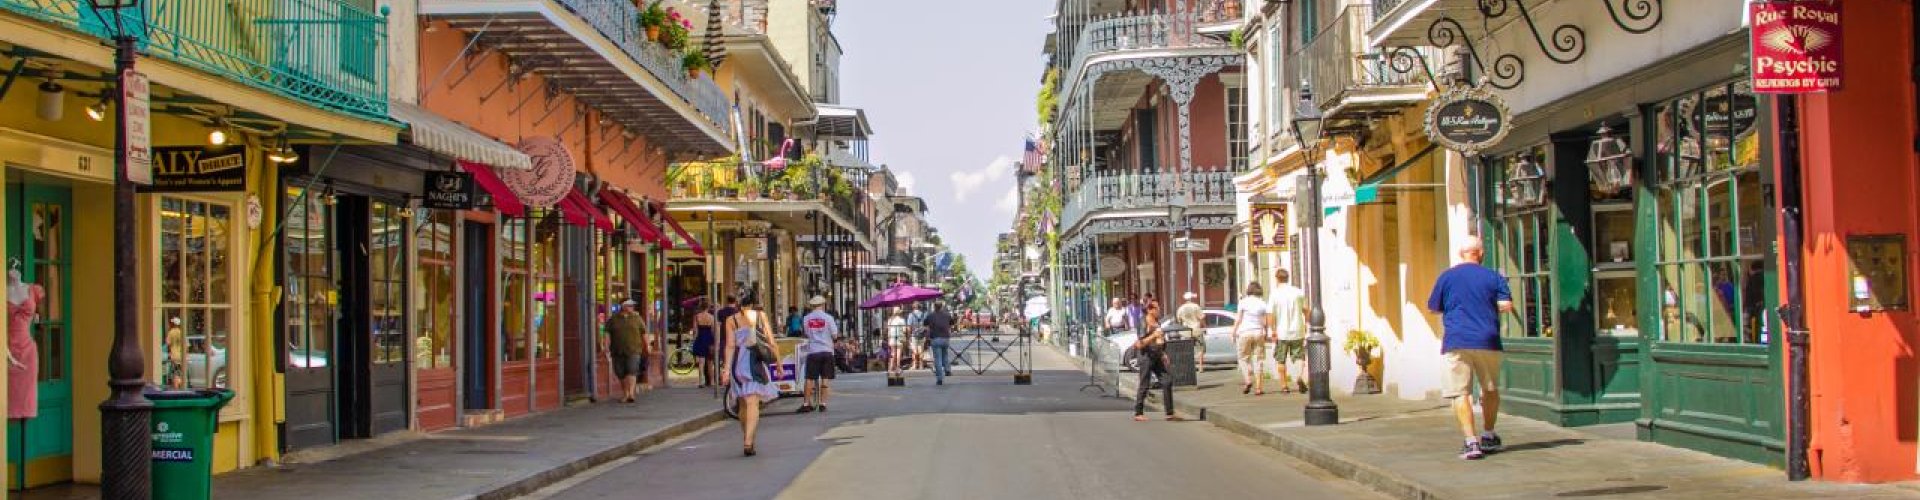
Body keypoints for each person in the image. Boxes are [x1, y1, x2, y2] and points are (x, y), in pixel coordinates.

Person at [1426, 236, 1513, 460]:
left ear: (1460, 253)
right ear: (1481, 253)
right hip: (1487, 338)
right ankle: (1489, 434)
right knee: (1490, 388)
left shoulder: (1447, 277)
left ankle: (1470, 441)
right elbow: (1506, 305)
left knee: (1460, 392)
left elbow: (1434, 308)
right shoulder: (1494, 277)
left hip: (1457, 339)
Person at [722, 296, 783, 457]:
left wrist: (726, 370)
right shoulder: (760, 316)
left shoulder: (731, 320)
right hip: (754, 363)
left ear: (738, 305)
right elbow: (771, 341)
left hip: (737, 364)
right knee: (752, 402)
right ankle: (748, 441)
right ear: (753, 304)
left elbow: (729, 345)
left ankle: (747, 438)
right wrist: (778, 363)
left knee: (743, 403)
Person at [1132, 302, 1181, 422]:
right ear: (1150, 310)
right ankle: (1138, 412)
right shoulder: (1143, 322)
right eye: (1157, 308)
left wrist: (1163, 353)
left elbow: (1160, 339)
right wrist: (1153, 335)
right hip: (1146, 356)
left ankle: (1169, 413)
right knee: (1144, 384)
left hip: (1157, 355)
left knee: (1167, 381)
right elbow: (1139, 344)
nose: (1159, 309)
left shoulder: (1157, 321)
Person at [1229, 283, 1271, 396]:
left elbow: (1238, 319)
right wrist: (1266, 332)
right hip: (1258, 332)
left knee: (1243, 358)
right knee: (1259, 359)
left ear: (1249, 290)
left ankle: (1247, 380)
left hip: (1245, 332)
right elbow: (1264, 321)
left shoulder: (1243, 302)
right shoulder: (1262, 303)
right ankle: (1259, 388)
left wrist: (1233, 332)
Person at [797, 296, 838, 413]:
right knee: (825, 377)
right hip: (827, 350)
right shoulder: (828, 318)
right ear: (823, 305)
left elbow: (805, 333)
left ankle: (806, 403)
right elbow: (835, 335)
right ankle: (822, 403)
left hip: (813, 351)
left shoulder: (806, 318)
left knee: (809, 378)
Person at [1270, 270, 1307, 393]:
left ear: (1277, 279)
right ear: (1288, 278)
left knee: (1281, 359)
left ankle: (1284, 386)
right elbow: (1306, 310)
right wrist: (1307, 323)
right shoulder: (1298, 292)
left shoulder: (1275, 294)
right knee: (1299, 356)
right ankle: (1299, 376)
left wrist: (1273, 330)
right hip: (1298, 330)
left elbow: (1270, 314)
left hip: (1282, 332)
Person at [607, 300, 649, 403]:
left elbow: (644, 333)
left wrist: (647, 346)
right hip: (617, 350)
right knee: (620, 372)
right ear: (623, 306)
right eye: (630, 305)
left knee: (632, 370)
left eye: (633, 305)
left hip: (634, 349)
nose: (632, 307)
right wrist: (606, 347)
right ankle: (625, 393)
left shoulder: (637, 318)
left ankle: (631, 393)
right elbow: (607, 334)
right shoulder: (613, 319)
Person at [924, 302, 956, 385]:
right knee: (945, 355)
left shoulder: (930, 315)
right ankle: (947, 370)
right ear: (941, 307)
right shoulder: (947, 315)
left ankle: (939, 378)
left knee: (937, 359)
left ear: (934, 307)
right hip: (945, 338)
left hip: (935, 338)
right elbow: (952, 323)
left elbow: (925, 324)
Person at [691, 299, 719, 388]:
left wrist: (694, 339)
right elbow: (714, 330)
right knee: (710, 362)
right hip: (709, 339)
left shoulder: (697, 316)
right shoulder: (711, 317)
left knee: (701, 362)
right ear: (707, 307)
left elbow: (695, 330)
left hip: (700, 338)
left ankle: (701, 381)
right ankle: (712, 381)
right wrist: (715, 342)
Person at [1175, 292, 1204, 367]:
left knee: (1186, 348)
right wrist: (1203, 326)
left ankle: (1188, 365)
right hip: (1196, 329)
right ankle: (1200, 366)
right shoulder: (1196, 306)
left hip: (1185, 331)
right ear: (1191, 298)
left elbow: (1179, 320)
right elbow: (1201, 318)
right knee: (1200, 348)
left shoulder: (1181, 308)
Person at [886, 307, 909, 375]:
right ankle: (898, 367)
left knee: (893, 353)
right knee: (898, 353)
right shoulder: (902, 320)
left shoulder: (890, 320)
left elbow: (888, 330)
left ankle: (890, 368)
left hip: (892, 338)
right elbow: (904, 330)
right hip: (899, 338)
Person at [906, 304, 929, 370]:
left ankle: (915, 365)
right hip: (922, 334)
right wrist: (926, 334)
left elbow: (909, 326)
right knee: (921, 350)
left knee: (914, 350)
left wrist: (909, 335)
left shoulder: (911, 315)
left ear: (913, 307)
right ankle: (921, 365)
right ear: (920, 307)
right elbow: (926, 326)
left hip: (914, 335)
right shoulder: (923, 314)